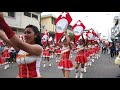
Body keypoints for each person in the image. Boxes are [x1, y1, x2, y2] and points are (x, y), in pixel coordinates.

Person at [0, 12, 43, 78]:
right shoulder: (21, 48)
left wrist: (2, 21)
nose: (25, 35)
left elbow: (19, 43)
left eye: (28, 32)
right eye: (24, 32)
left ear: (36, 35)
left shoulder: (38, 48)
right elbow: (6, 38)